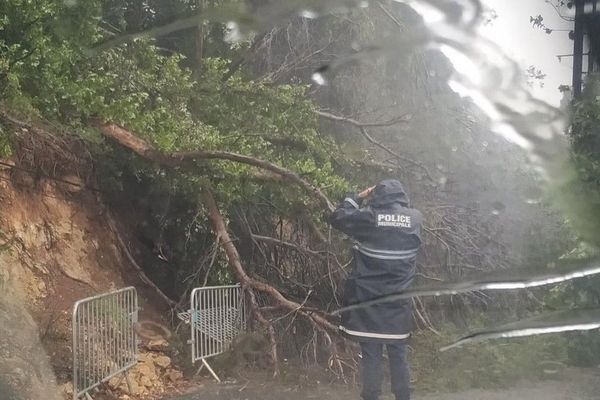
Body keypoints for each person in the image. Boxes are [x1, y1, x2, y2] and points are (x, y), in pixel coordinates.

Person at [329, 179, 423, 400]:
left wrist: (358, 197)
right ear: (402, 196)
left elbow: (337, 217)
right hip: (398, 303)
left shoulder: (369, 217)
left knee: (371, 355)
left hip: (368, 300)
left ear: (377, 196)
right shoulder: (416, 218)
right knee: (399, 354)